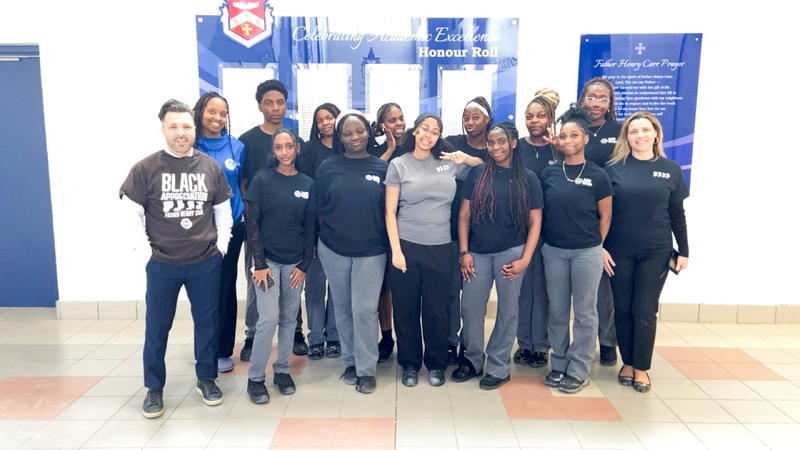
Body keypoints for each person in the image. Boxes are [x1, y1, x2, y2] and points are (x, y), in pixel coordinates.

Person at [120, 99, 232, 418]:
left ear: (194, 129)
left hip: (204, 262)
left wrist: (220, 248)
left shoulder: (211, 168)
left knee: (208, 325)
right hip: (162, 265)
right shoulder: (145, 168)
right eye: (174, 126)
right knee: (157, 327)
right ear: (163, 129)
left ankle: (206, 379)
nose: (180, 133)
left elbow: (222, 212)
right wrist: (145, 254)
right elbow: (131, 213)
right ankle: (154, 388)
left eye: (186, 126)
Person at [385, 112, 484, 388]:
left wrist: (463, 158)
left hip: (440, 246)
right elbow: (389, 211)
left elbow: (481, 165)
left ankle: (436, 364)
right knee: (405, 309)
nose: (428, 135)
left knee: (437, 309)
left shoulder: (447, 163)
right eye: (424, 129)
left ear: (439, 136)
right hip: (406, 244)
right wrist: (396, 250)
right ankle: (409, 364)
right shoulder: (398, 165)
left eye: (435, 131)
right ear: (415, 132)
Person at [603, 111, 689, 393]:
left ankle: (641, 367)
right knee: (624, 309)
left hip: (656, 251)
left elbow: (677, 213)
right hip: (618, 250)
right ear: (626, 137)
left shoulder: (671, 169)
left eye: (644, 130)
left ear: (655, 134)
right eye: (633, 131)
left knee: (645, 309)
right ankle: (627, 362)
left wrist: (684, 251)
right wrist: (601, 248)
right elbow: (601, 214)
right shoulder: (613, 168)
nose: (639, 136)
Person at [454, 122, 543, 389]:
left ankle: (498, 366)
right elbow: (464, 216)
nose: (495, 147)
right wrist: (464, 252)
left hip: (511, 253)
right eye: (490, 143)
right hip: (477, 254)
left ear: (514, 143)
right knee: (470, 308)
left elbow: (535, 222)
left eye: (501, 142)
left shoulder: (529, 178)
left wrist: (525, 259)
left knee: (508, 311)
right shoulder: (477, 173)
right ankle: (472, 359)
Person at [539, 104, 613, 394]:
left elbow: (605, 216)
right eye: (564, 136)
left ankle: (579, 368)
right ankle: (558, 364)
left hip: (587, 253)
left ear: (585, 139)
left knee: (584, 312)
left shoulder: (598, 175)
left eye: (574, 135)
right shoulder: (549, 173)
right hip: (554, 251)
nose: (568, 140)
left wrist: (596, 244)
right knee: (557, 311)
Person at [315, 110, 389, 394]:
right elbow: (319, 210)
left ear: (368, 133)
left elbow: (390, 211)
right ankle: (349, 362)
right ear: (339, 137)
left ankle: (367, 369)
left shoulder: (382, 168)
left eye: (359, 131)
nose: (354, 137)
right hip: (334, 249)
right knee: (343, 308)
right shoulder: (327, 168)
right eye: (347, 133)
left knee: (365, 310)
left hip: (372, 250)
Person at [238, 79, 310, 359]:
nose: (275, 107)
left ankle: (295, 332)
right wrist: (251, 217)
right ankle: (253, 335)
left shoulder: (295, 139)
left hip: (290, 229)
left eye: (280, 102)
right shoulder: (248, 140)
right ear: (259, 106)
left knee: (293, 282)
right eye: (268, 102)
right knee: (258, 279)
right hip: (258, 227)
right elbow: (243, 182)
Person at [244, 127, 315, 404]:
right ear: (272, 151)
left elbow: (310, 230)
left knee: (289, 318)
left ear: (297, 148)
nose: (284, 152)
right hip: (267, 263)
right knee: (268, 318)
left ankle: (282, 370)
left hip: (295, 264)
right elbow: (253, 225)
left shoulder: (308, 183)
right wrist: (259, 264)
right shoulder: (262, 180)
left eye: (289, 146)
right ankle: (255, 378)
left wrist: (305, 265)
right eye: (278, 147)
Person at [192, 92, 246, 374]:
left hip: (231, 229)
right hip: (197, 231)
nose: (217, 118)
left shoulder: (236, 147)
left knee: (225, 288)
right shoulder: (190, 145)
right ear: (200, 112)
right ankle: (204, 348)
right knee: (202, 291)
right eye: (212, 111)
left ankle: (223, 350)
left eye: (222, 113)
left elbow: (240, 185)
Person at [444, 96, 493, 364]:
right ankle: (450, 341)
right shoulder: (452, 143)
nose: (470, 122)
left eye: (475, 117)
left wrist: (470, 160)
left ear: (487, 119)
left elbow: (496, 172)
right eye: (466, 117)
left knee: (473, 299)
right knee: (450, 292)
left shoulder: (494, 146)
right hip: (450, 230)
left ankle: (469, 345)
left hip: (482, 236)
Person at [579, 77, 623, 366]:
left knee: (604, 283)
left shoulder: (619, 132)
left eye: (602, 98)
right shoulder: (574, 129)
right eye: (591, 97)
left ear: (610, 103)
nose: (596, 103)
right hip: (577, 213)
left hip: (610, 213)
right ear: (583, 99)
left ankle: (607, 342)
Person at [515, 89, 560, 368]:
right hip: (521, 228)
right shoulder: (517, 146)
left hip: (552, 229)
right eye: (529, 116)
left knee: (543, 290)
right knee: (521, 289)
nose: (534, 121)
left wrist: (559, 148)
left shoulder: (559, 146)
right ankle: (524, 343)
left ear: (550, 118)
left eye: (541, 116)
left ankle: (541, 345)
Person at [300, 103, 341, 361]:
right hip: (315, 228)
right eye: (320, 120)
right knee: (314, 287)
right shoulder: (309, 149)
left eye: (330, 117)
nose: (326, 123)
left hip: (341, 229)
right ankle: (315, 337)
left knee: (338, 288)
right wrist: (311, 234)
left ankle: (334, 335)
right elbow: (306, 191)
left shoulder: (348, 145)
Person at [369, 102, 408, 362]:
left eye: (401, 118)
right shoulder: (374, 149)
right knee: (383, 288)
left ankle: (408, 338)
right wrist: (391, 149)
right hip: (382, 224)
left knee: (405, 287)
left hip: (410, 224)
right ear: (383, 125)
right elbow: (370, 172)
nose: (399, 123)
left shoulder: (416, 144)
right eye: (393, 120)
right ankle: (386, 336)